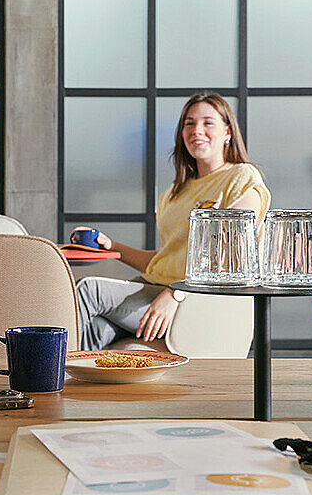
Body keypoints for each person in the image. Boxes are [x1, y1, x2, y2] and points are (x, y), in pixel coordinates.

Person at [74, 92, 270, 351]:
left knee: (89, 290)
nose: (196, 130)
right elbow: (164, 262)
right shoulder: (173, 193)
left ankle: (48, 379)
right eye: (189, 123)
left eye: (208, 122)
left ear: (228, 132)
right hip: (155, 288)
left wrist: (176, 293)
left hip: (196, 300)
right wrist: (110, 246)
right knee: (97, 328)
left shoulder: (241, 177)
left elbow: (228, 257)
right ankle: (79, 389)